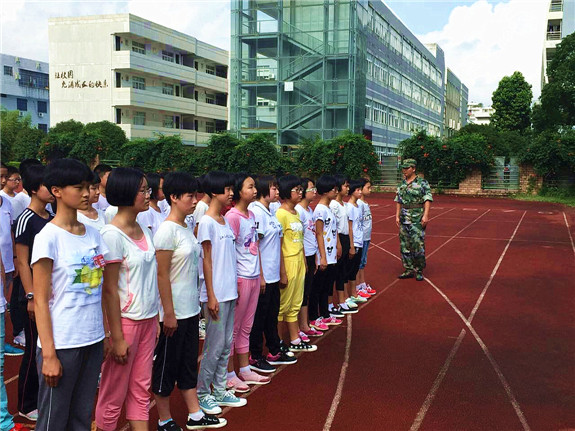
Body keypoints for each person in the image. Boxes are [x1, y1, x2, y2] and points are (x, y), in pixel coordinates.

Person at [31, 158, 107, 430]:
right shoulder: (48, 237)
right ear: (57, 191)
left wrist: (105, 333)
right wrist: (49, 355)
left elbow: (101, 289)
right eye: (79, 187)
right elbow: (40, 301)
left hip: (92, 339)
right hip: (63, 342)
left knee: (81, 418)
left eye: (89, 186)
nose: (87, 193)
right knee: (53, 421)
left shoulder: (94, 235)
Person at [152, 172, 226, 430]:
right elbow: (161, 275)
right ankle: (164, 420)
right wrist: (168, 313)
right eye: (189, 196)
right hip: (173, 313)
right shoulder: (166, 231)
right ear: (173, 197)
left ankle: (194, 414)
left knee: (187, 365)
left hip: (190, 310)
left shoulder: (186, 227)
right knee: (165, 367)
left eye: (196, 195)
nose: (195, 201)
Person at [96, 168, 160, 431]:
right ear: (125, 193)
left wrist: (156, 317)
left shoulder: (144, 229)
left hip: (148, 319)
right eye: (143, 190)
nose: (148, 195)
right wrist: (116, 336)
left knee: (141, 388)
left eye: (148, 190)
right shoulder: (111, 235)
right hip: (126, 322)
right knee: (114, 392)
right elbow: (109, 289)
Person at [196, 171, 246, 414]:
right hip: (216, 294)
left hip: (229, 292)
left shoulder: (224, 220)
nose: (231, 193)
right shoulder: (206, 222)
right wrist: (211, 295)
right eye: (227, 190)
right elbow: (206, 261)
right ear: (215, 192)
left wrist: (233, 287)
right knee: (214, 347)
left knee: (226, 344)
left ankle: (219, 389)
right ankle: (202, 393)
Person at [13, 165, 55, 422]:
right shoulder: (26, 219)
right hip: (32, 295)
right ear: (33, 189)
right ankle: (26, 404)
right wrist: (31, 296)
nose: (51, 190)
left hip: (50, 294)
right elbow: (22, 261)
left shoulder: (51, 217)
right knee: (33, 349)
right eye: (46, 186)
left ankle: (44, 396)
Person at [225, 173, 271, 394]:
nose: (255, 190)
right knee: (233, 329)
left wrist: (260, 275)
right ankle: (228, 374)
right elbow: (229, 252)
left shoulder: (251, 215)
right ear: (238, 191)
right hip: (241, 279)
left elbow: (256, 247)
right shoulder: (232, 217)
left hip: (253, 278)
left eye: (254, 187)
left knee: (246, 326)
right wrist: (234, 280)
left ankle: (244, 369)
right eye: (250, 187)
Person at [248, 176, 297, 371]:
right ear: (263, 190)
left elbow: (277, 244)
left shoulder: (270, 212)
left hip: (273, 274)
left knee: (271, 315)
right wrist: (260, 276)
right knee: (259, 317)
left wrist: (281, 272)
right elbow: (255, 247)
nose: (277, 192)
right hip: (264, 276)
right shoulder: (256, 212)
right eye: (273, 188)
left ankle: (274, 350)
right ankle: (255, 355)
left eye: (277, 188)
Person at [275, 176, 316, 352]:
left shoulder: (296, 213)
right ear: (286, 192)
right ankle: (277, 342)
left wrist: (304, 261)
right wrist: (282, 271)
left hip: (299, 260)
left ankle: (294, 339)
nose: (300, 193)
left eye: (301, 190)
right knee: (283, 304)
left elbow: (300, 239)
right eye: (296, 190)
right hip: (288, 261)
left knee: (296, 302)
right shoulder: (280, 214)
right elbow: (279, 245)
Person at [309, 176, 341, 331]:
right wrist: (322, 257)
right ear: (326, 191)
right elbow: (319, 233)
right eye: (333, 189)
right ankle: (314, 317)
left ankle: (325, 314)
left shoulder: (328, 208)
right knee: (317, 288)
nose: (336, 191)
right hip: (324, 255)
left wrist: (338, 245)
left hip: (331, 254)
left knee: (326, 287)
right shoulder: (320, 210)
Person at [395, 159, 433, 281]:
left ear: (414, 169)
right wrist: (397, 215)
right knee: (404, 245)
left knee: (417, 244)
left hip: (417, 218)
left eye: (407, 168)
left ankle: (419, 269)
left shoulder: (422, 183)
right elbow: (398, 200)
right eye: (403, 168)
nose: (404, 170)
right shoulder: (402, 184)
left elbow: (427, 199)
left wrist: (426, 215)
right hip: (403, 217)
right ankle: (408, 269)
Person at [0, 163, 23, 357]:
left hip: (7, 263)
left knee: (4, 305)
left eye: (5, 176)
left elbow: (11, 232)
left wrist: (14, 257)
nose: (3, 181)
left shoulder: (7, 203)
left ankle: (3, 341)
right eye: (0, 176)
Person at [295, 178, 322, 339]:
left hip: (312, 255)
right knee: (301, 293)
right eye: (312, 189)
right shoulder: (299, 211)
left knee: (307, 291)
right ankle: (300, 326)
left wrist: (317, 256)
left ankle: (305, 324)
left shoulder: (309, 210)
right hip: (303, 256)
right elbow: (299, 238)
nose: (315, 191)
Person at [329, 175, 355, 316]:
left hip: (345, 239)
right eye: (345, 186)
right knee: (335, 272)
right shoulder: (333, 205)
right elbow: (334, 226)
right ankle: (331, 304)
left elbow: (348, 226)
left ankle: (342, 301)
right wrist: (338, 243)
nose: (348, 188)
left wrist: (350, 244)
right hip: (337, 239)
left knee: (342, 271)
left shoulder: (344, 205)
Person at [344, 180, 368, 304]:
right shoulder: (350, 207)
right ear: (352, 192)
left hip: (360, 241)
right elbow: (350, 227)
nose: (360, 192)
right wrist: (351, 245)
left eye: (360, 190)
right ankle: (347, 296)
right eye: (357, 190)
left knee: (354, 270)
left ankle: (354, 294)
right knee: (349, 270)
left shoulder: (358, 206)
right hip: (354, 243)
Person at [356, 179, 376, 297]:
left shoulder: (365, 203)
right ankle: (358, 286)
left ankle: (362, 284)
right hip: (361, 238)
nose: (370, 190)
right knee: (359, 263)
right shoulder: (359, 204)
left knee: (363, 262)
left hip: (366, 237)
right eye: (368, 187)